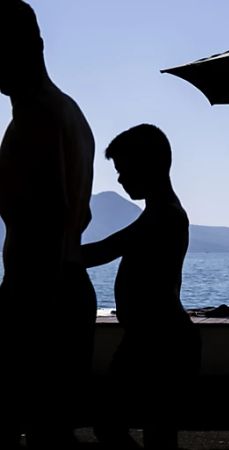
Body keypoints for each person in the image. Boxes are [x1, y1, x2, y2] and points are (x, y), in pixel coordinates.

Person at [0, 1, 96, 447]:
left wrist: (34, 304)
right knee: (53, 429)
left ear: (33, 47)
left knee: (40, 428)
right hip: (68, 287)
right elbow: (79, 214)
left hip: (41, 291)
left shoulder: (37, 117)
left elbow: (54, 214)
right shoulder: (71, 112)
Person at [82, 125, 200, 449]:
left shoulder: (164, 217)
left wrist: (58, 255)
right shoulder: (160, 213)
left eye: (123, 169)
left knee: (119, 425)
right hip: (154, 338)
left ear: (148, 165)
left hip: (159, 341)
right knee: (147, 430)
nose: (119, 179)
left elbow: (106, 249)